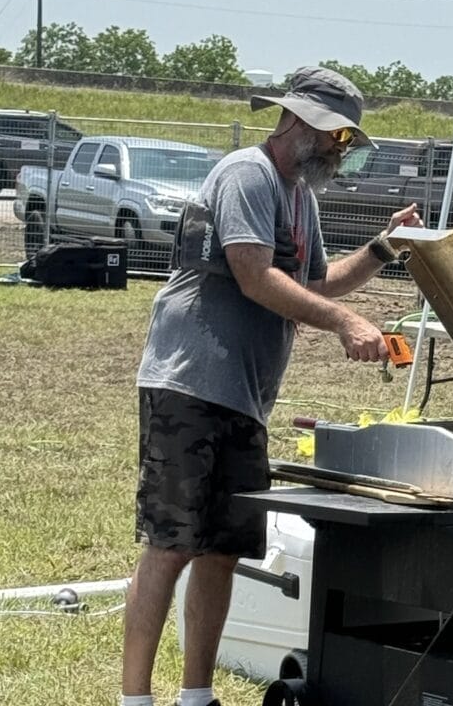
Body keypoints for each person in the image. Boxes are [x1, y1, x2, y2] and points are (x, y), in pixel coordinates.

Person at [121, 66, 422, 706]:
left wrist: (381, 249)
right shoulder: (246, 174)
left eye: (349, 141)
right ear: (298, 120)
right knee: (171, 545)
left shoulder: (300, 198)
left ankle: (195, 696)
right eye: (338, 137)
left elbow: (312, 287)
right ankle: (134, 699)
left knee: (223, 550)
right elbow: (255, 276)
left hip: (244, 398)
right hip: (189, 385)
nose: (343, 151)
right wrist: (344, 324)